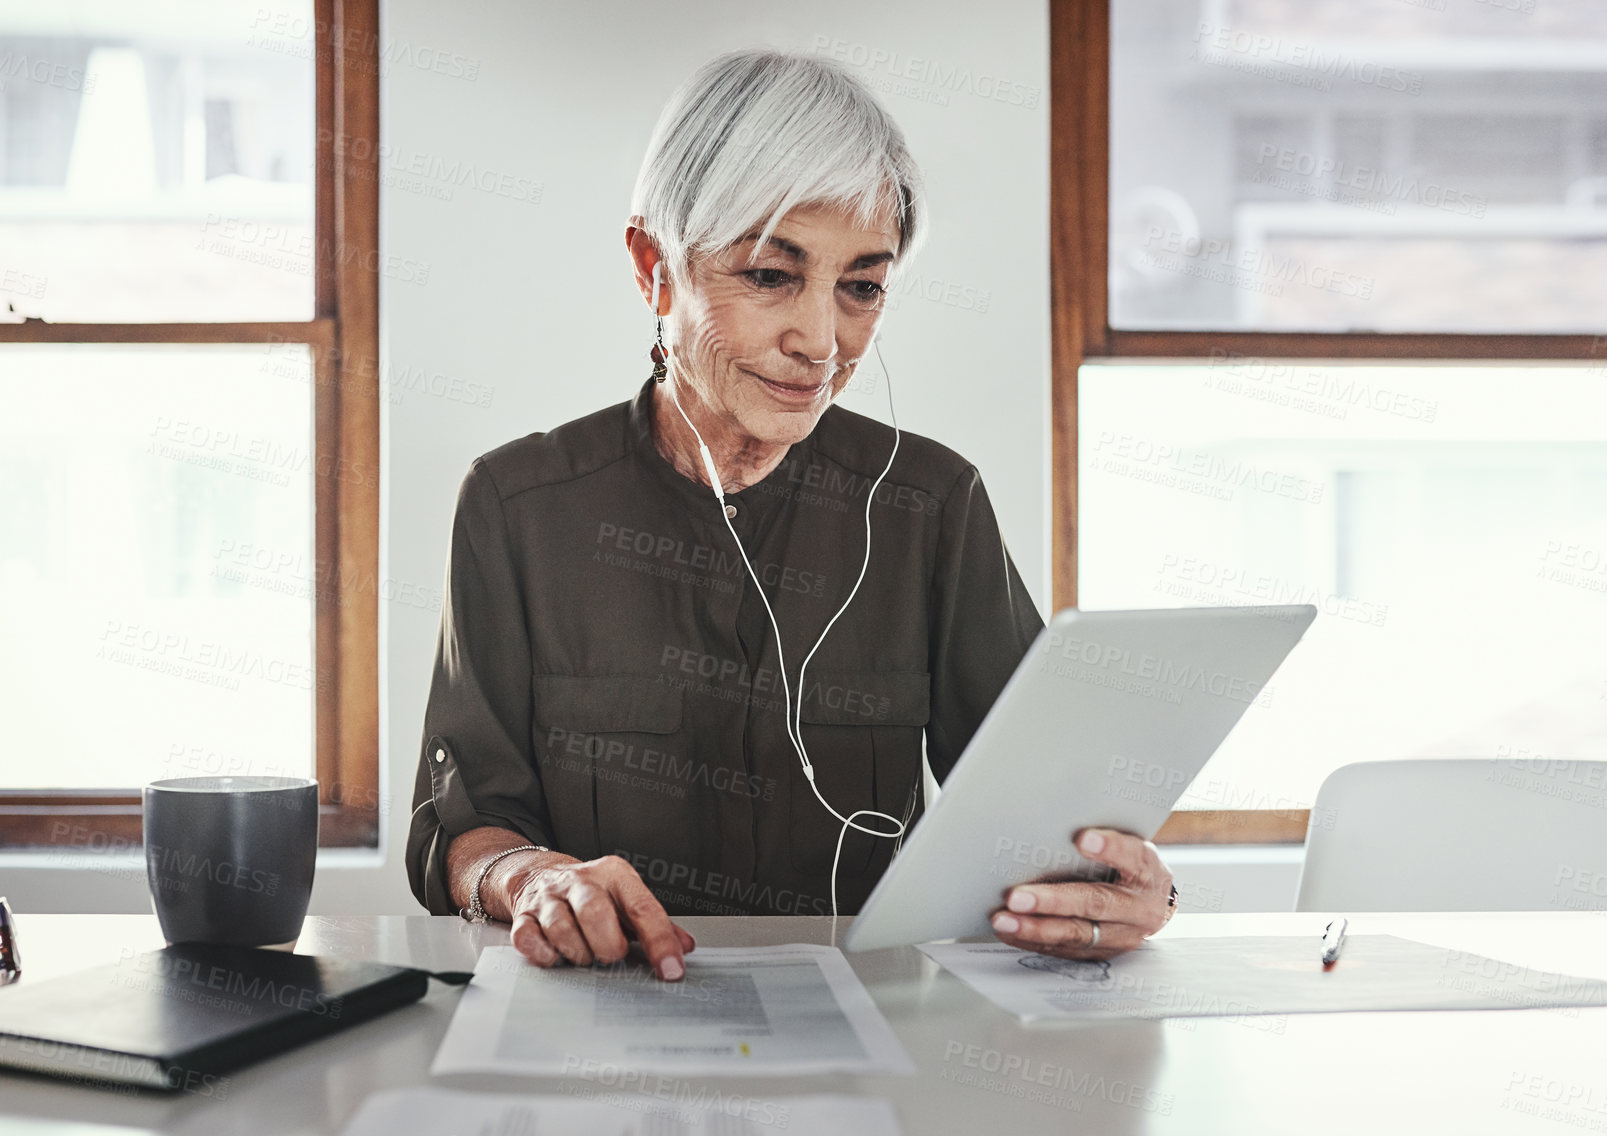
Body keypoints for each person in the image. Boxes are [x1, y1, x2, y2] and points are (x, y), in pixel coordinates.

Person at [406, 48, 1176, 981]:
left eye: (860, 286)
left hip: (879, 1038)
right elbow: (461, 822)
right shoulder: (517, 507)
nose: (821, 342)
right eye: (772, 276)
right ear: (654, 269)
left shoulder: (930, 506)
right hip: (603, 1030)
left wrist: (1126, 887)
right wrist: (525, 878)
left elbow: (1040, 819)